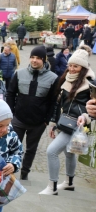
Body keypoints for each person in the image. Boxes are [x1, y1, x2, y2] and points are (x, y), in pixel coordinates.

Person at [40, 49, 95, 195]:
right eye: (70, 65)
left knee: (51, 152)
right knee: (69, 153)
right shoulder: (66, 78)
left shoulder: (90, 84)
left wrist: (86, 117)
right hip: (63, 122)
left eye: (76, 66)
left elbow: (93, 108)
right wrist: (53, 123)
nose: (71, 69)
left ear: (83, 68)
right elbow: (59, 104)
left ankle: (52, 187)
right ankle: (69, 183)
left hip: (77, 125)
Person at [6, 45, 58, 180]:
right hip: (18, 118)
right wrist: (10, 113)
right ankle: (8, 171)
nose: (34, 60)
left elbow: (53, 101)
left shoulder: (53, 78)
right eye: (32, 57)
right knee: (12, 145)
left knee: (31, 149)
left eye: (38, 58)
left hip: (38, 121)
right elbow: (10, 94)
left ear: (44, 60)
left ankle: (25, 172)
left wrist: (47, 119)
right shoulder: (19, 73)